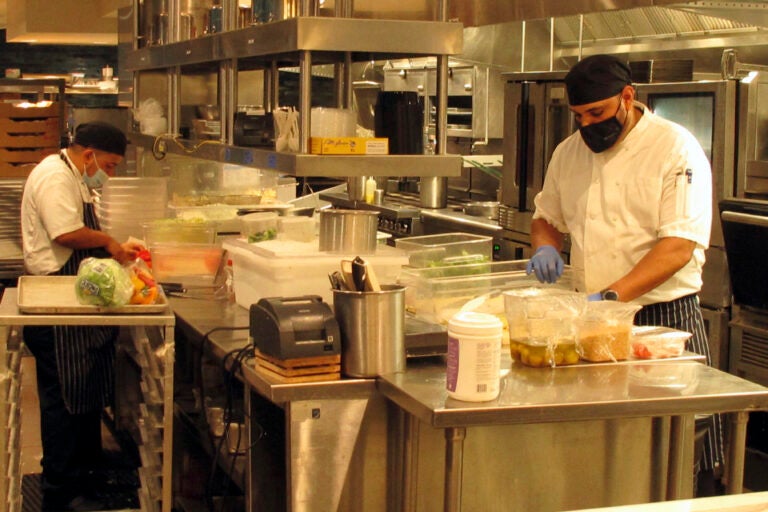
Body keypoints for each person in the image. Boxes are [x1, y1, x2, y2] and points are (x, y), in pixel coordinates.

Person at [525, 54, 724, 495]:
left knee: (676, 454)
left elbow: (677, 247)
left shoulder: (675, 148)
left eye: (596, 113)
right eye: (578, 117)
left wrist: (612, 298)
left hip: (663, 319)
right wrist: (544, 246)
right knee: (605, 450)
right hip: (594, 324)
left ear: (628, 97)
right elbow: (547, 217)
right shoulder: (569, 152)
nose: (587, 126)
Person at [21, 122, 143, 511]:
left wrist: (118, 250)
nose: (109, 173)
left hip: (70, 295)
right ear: (88, 154)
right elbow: (66, 234)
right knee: (64, 402)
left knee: (84, 391)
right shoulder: (55, 177)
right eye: (109, 164)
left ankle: (87, 470)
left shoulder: (72, 174)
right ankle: (61, 490)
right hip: (55, 302)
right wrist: (109, 242)